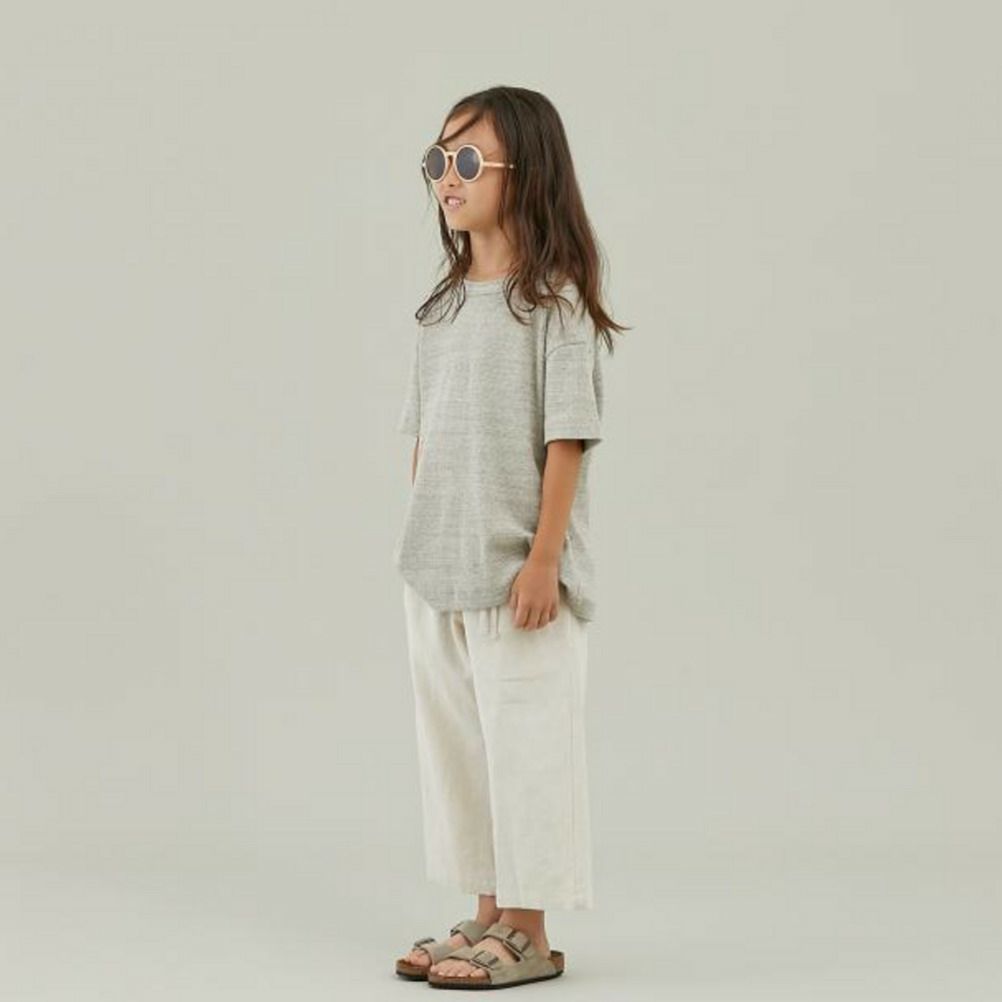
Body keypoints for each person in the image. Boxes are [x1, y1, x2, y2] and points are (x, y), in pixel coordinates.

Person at [391, 86, 628, 990]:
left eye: (465, 162)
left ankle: (528, 928)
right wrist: (421, 540)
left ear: (525, 175)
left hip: (518, 575)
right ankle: (487, 911)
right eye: (436, 161)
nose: (445, 179)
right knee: (461, 751)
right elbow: (425, 438)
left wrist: (544, 559)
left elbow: (567, 437)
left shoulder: (554, 307)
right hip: (436, 571)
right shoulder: (440, 310)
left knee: (527, 748)